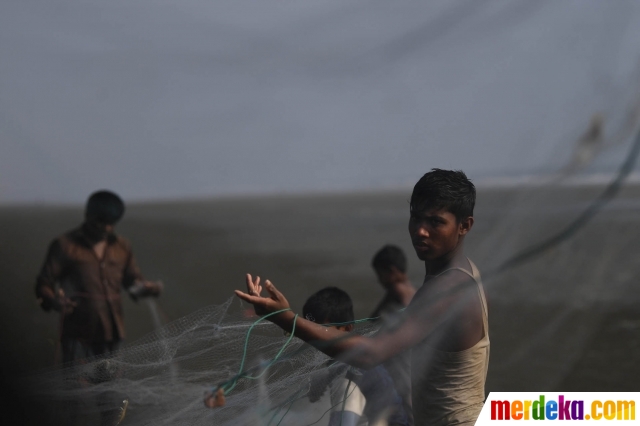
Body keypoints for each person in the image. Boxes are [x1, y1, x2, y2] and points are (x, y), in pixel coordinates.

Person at [237, 169, 489, 426]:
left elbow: (371, 354)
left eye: (435, 222)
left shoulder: (447, 288)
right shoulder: (461, 273)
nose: (420, 231)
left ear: (465, 226)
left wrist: (286, 319)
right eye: (416, 218)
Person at [35, 190, 162, 364]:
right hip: (79, 333)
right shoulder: (64, 245)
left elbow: (132, 281)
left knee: (112, 388)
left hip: (113, 333)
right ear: (88, 215)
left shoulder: (122, 246)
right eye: (101, 222)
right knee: (78, 387)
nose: (107, 228)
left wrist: (146, 289)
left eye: (111, 223)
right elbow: (44, 284)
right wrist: (54, 301)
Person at [303, 287, 409, 426]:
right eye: (310, 331)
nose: (318, 338)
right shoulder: (349, 358)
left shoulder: (350, 376)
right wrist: (320, 383)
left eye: (324, 331)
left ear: (347, 329)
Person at [370, 245, 416, 425]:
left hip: (400, 360)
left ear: (392, 271)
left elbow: (372, 321)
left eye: (379, 274)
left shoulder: (398, 290)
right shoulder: (413, 290)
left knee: (407, 402)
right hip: (410, 359)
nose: (379, 280)